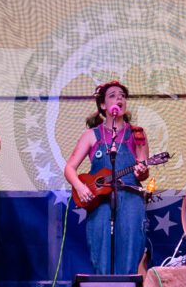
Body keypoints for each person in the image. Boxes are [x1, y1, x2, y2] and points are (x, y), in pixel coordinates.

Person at [64, 81, 150, 275]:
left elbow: (144, 169)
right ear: (103, 105)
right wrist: (80, 187)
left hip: (130, 196)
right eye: (113, 95)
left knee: (130, 245)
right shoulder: (91, 135)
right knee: (100, 245)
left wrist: (141, 172)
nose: (119, 98)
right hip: (100, 198)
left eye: (122, 95)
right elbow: (69, 168)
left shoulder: (137, 134)